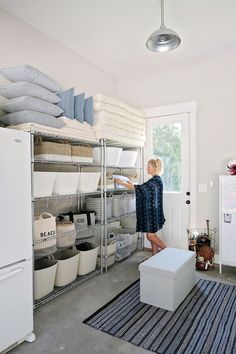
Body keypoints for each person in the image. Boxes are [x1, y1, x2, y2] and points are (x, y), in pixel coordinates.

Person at [115, 158, 166, 255]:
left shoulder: (155, 181)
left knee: (150, 237)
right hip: (152, 211)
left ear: (154, 168)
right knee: (152, 236)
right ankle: (154, 258)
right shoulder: (156, 180)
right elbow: (142, 188)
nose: (147, 169)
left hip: (152, 213)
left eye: (148, 167)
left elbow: (141, 189)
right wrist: (130, 184)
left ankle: (169, 252)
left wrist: (122, 183)